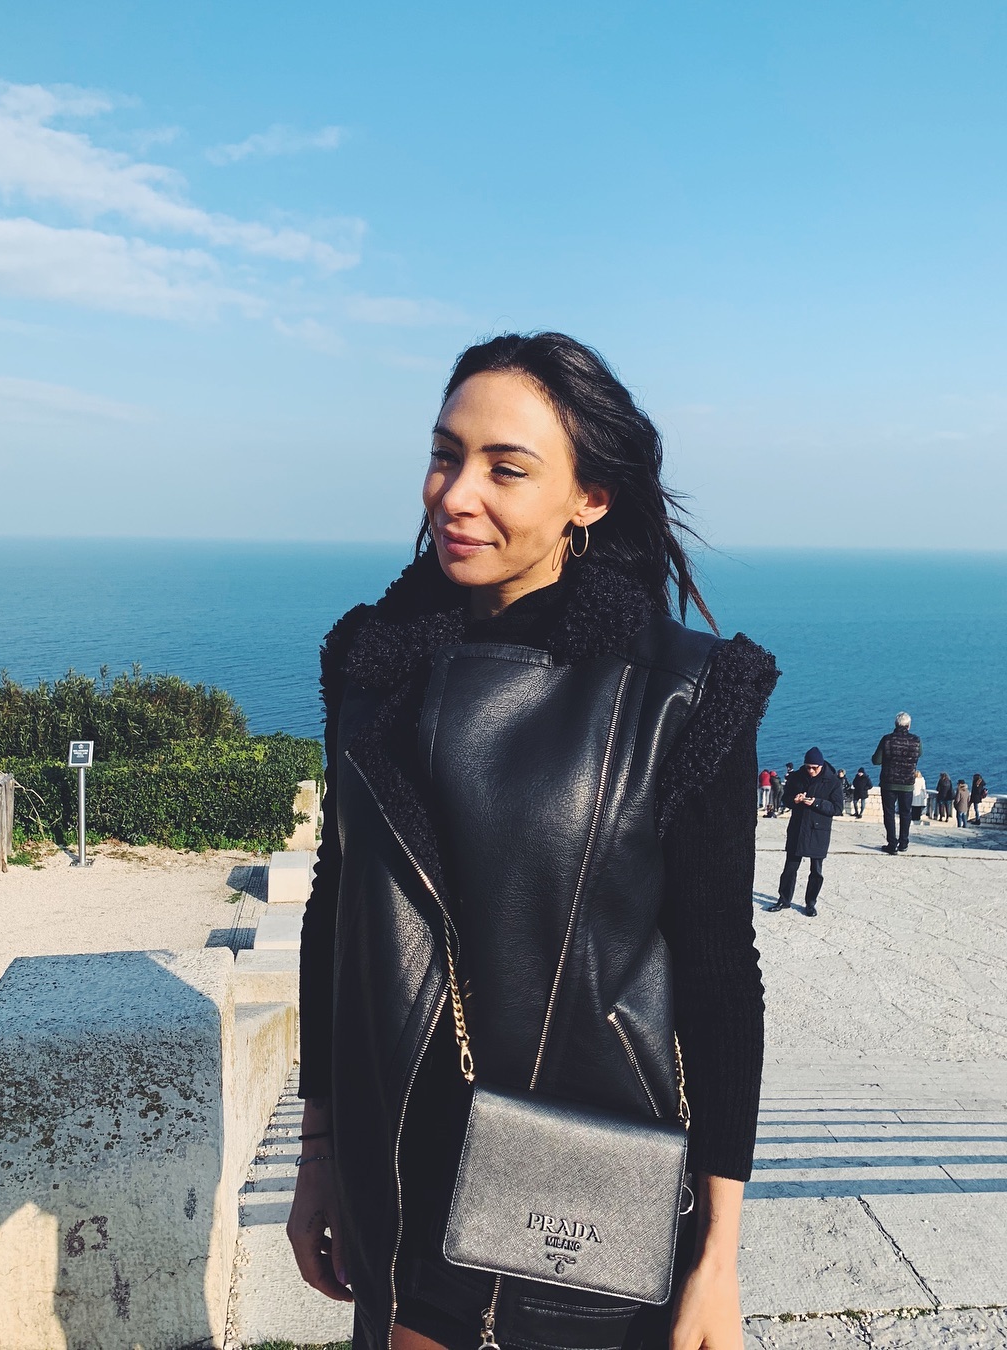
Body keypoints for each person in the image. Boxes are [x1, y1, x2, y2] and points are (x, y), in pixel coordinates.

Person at [288, 332, 779, 1350]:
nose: (456, 494)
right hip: (401, 1179)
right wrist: (320, 1152)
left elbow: (720, 973)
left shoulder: (685, 694)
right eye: (445, 455)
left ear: (589, 497)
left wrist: (719, 1255)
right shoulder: (372, 667)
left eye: (506, 468)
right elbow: (339, 912)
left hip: (583, 1187)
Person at [765, 747, 844, 917]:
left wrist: (816, 802)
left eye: (814, 768)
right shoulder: (796, 777)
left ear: (821, 766)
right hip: (798, 828)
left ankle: (810, 903)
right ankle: (784, 899)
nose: (811, 771)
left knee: (816, 871)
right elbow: (785, 799)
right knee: (790, 868)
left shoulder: (833, 782)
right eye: (808, 767)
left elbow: (838, 808)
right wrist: (793, 800)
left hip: (819, 830)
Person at [871, 712, 922, 855]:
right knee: (906, 813)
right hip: (907, 783)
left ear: (895, 724)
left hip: (889, 783)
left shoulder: (887, 739)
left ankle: (892, 844)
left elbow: (876, 761)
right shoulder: (916, 740)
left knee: (889, 813)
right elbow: (919, 754)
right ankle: (904, 843)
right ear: (909, 725)